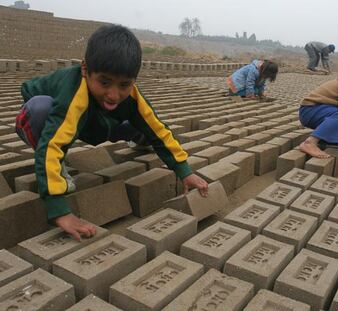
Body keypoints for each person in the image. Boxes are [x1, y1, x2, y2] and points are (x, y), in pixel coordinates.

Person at [15, 24, 209, 241]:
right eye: (105, 82)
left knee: (144, 124)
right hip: (52, 118)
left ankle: (135, 138)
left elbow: (159, 131)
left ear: (134, 80)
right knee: (40, 110)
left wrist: (185, 171)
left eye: (124, 84)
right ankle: (57, 169)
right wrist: (59, 210)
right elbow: (53, 144)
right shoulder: (71, 92)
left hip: (99, 122)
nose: (114, 94)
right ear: (85, 69)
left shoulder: (132, 96)